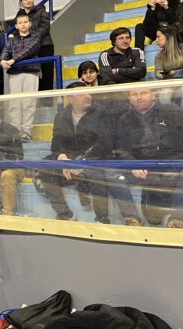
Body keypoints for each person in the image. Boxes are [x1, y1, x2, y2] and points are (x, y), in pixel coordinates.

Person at [34, 83, 141, 224]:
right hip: (71, 162)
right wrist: (63, 158)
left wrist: (83, 162)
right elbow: (57, 143)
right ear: (70, 98)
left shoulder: (101, 113)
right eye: (82, 94)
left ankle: (111, 218)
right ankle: (64, 214)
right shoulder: (60, 116)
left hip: (95, 159)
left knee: (103, 175)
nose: (88, 96)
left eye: (89, 93)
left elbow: (104, 143)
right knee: (44, 171)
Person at [114, 88, 183, 227]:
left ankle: (178, 217)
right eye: (134, 94)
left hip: (172, 163)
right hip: (142, 168)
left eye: (143, 93)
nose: (139, 97)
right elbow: (120, 148)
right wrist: (132, 164)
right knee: (153, 220)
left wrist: (173, 164)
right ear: (129, 99)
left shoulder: (172, 111)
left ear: (153, 95)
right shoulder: (124, 120)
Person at [0, 13, 41, 140]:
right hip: (15, 74)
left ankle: (27, 131)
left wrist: (13, 60)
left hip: (31, 72)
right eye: (20, 22)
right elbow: (6, 51)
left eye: (25, 22)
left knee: (29, 103)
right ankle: (15, 131)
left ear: (30, 24)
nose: (23, 24)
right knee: (14, 104)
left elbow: (28, 51)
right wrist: (2, 60)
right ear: (16, 26)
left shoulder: (36, 37)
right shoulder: (12, 40)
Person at [16, 0, 55, 91]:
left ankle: (48, 97)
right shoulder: (19, 14)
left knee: (47, 73)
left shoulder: (41, 10)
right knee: (31, 73)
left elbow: (45, 27)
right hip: (29, 48)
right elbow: (17, 28)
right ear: (21, 2)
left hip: (44, 46)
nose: (29, 1)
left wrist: (32, 38)